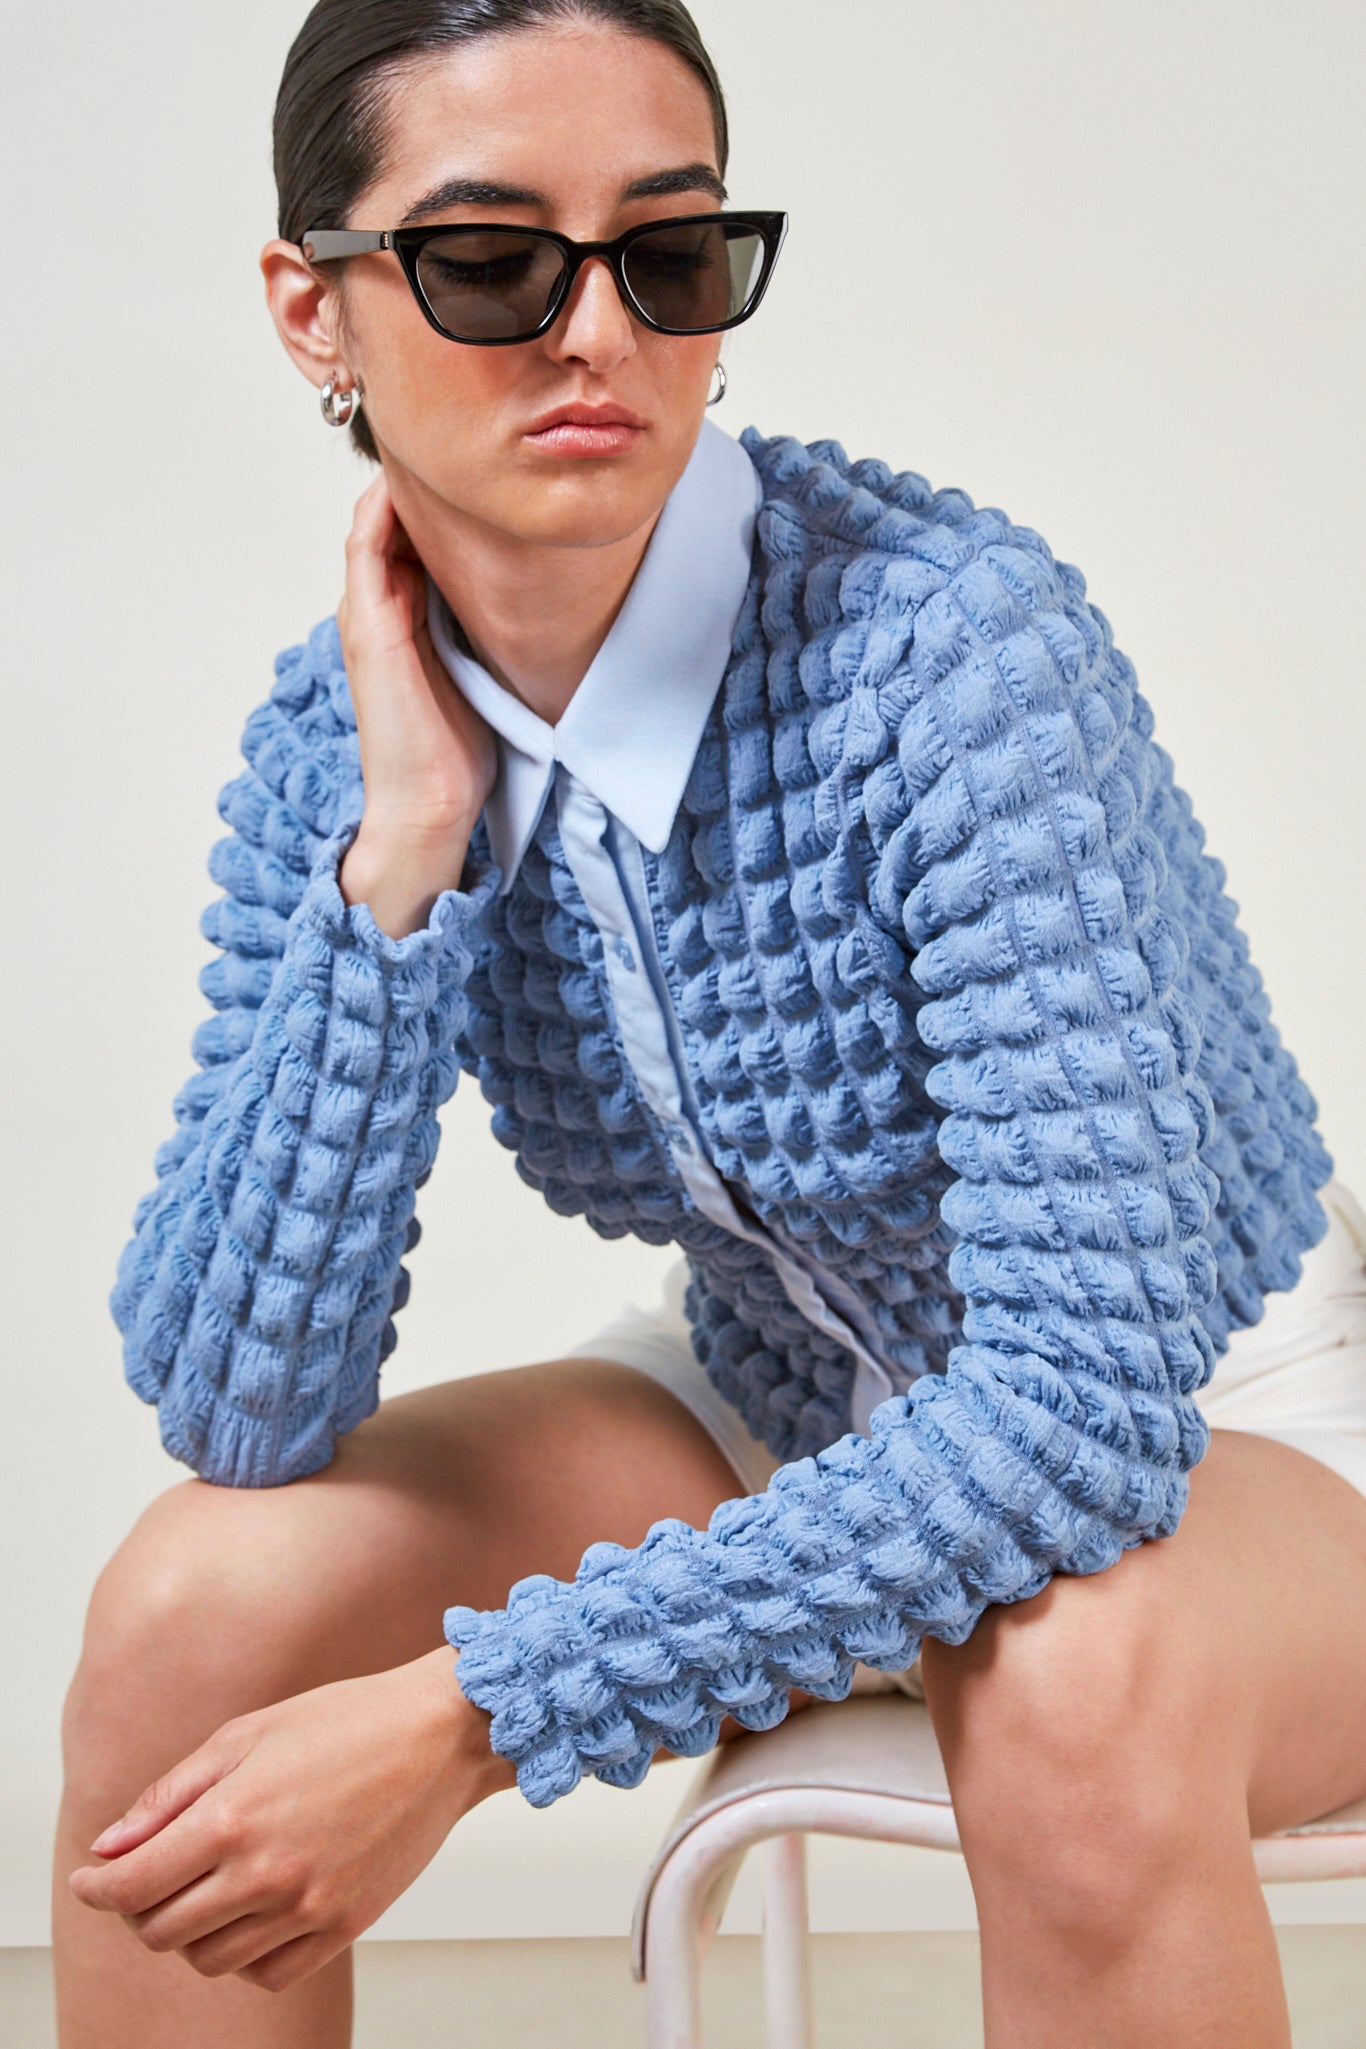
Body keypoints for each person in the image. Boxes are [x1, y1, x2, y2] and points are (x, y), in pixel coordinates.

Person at [53, 3, 1366, 2045]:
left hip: (1214, 1423)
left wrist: (473, 1712)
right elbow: (241, 1406)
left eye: (665, 252)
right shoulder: (343, 737)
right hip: (783, 1388)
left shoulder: (948, 652)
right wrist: (404, 853)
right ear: (315, 311)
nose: (596, 333)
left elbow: (1072, 1415)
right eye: (489, 259)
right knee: (188, 1606)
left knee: (1070, 1672)